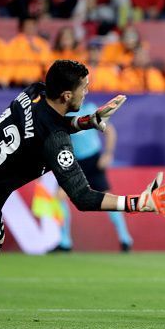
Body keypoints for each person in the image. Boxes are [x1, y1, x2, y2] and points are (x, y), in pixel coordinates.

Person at [0, 60, 165, 320]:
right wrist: (138, 202)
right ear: (66, 95)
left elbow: (47, 120)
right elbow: (83, 197)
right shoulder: (55, 141)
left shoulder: (32, 93)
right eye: (83, 88)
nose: (87, 91)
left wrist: (85, 121)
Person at [49, 102, 134, 253]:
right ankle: (65, 242)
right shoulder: (63, 113)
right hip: (74, 162)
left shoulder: (90, 109)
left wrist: (108, 154)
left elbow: (110, 131)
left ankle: (125, 239)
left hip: (93, 161)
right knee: (59, 197)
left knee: (107, 197)